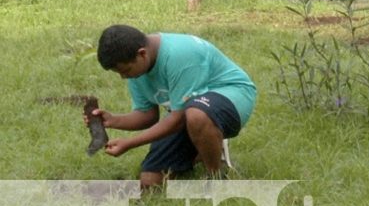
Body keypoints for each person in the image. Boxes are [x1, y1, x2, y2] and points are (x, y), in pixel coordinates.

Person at [93, 24, 257, 188]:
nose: (123, 77)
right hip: (187, 113)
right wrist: (113, 120)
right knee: (150, 182)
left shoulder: (181, 54)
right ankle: (203, 148)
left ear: (141, 54)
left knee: (197, 115)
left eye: (126, 70)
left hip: (232, 96)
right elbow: (147, 115)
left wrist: (130, 143)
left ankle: (216, 176)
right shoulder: (138, 69)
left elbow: (179, 119)